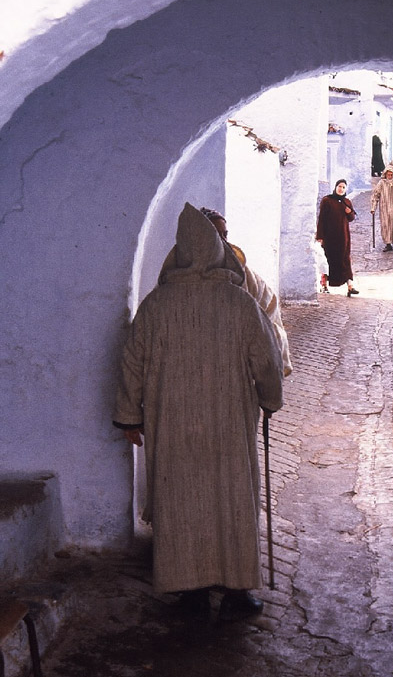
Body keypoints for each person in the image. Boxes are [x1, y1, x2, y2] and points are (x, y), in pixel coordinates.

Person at [112, 203, 284, 621]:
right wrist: (270, 399)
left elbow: (131, 362)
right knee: (231, 499)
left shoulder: (156, 306)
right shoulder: (239, 303)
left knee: (181, 499)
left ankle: (189, 591)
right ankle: (235, 591)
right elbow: (268, 359)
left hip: (172, 425)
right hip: (229, 426)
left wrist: (129, 416)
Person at [201, 208, 293, 376]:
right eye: (214, 235)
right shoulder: (178, 281)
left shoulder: (249, 279)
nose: (222, 242)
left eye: (224, 235)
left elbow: (270, 320)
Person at [316, 178, 359, 296]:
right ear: (335, 187)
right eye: (339, 186)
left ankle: (350, 286)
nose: (341, 189)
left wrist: (349, 212)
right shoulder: (327, 200)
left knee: (345, 260)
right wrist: (320, 236)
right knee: (327, 260)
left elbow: (351, 218)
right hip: (329, 237)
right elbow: (322, 219)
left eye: (343, 187)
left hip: (343, 237)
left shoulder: (347, 201)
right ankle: (324, 285)